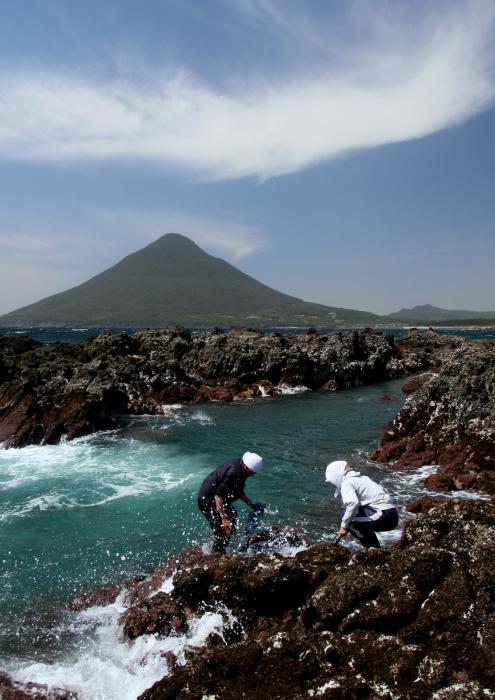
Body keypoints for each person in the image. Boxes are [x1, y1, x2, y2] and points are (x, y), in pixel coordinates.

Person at [198, 452, 264, 553]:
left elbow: (238, 492)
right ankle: (217, 555)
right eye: (253, 472)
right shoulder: (235, 473)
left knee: (232, 519)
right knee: (222, 528)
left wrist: (251, 505)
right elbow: (218, 496)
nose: (253, 475)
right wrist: (224, 518)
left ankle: (221, 547)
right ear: (248, 469)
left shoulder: (240, 468)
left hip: (217, 498)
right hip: (208, 500)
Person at [325, 460, 398, 548]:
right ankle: (374, 549)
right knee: (351, 517)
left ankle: (372, 549)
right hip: (393, 515)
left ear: (336, 475)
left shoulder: (347, 482)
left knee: (344, 514)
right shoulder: (363, 478)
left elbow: (353, 504)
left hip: (384, 516)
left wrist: (344, 526)